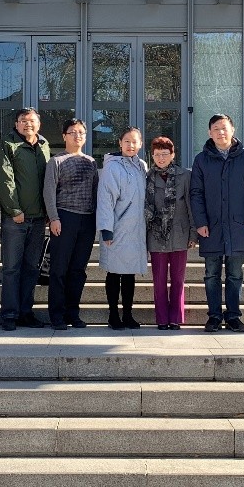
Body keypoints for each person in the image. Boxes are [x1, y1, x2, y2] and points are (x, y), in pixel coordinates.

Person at [190, 114, 244, 333]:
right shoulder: (201, 159)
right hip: (211, 226)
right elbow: (196, 194)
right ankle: (214, 316)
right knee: (211, 274)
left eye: (224, 128)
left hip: (238, 225)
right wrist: (200, 222)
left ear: (233, 130)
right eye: (216, 129)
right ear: (209, 133)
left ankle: (233, 316)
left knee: (235, 274)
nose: (221, 132)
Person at [0, 107, 52, 331]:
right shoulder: (8, 144)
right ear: (16, 124)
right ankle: (9, 314)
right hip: (15, 218)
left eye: (32, 120)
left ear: (39, 123)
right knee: (11, 269)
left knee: (31, 268)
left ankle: (26, 312)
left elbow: (48, 181)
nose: (28, 124)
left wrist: (48, 212)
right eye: (23, 120)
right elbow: (4, 178)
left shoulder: (44, 145)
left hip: (38, 219)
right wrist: (14, 209)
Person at [43, 118, 99, 330]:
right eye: (72, 132)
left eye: (81, 132)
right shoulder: (56, 161)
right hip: (64, 218)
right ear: (64, 136)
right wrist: (54, 218)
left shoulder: (91, 162)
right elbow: (49, 192)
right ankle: (57, 316)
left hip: (87, 220)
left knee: (78, 270)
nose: (77, 136)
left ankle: (73, 313)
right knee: (59, 269)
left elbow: (95, 192)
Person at [97, 127, 149, 330]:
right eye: (127, 141)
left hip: (136, 229)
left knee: (129, 274)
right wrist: (106, 228)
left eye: (135, 142)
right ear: (120, 143)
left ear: (140, 144)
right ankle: (113, 315)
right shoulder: (112, 167)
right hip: (117, 227)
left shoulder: (141, 166)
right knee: (114, 272)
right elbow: (105, 199)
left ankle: (128, 314)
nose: (130, 145)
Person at [144, 136, 194, 330]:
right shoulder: (147, 177)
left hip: (180, 233)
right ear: (152, 156)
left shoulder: (185, 176)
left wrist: (193, 233)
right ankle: (162, 319)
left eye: (165, 154)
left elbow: (191, 205)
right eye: (157, 154)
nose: (161, 158)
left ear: (173, 155)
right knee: (159, 280)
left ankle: (175, 318)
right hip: (156, 234)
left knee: (178, 279)